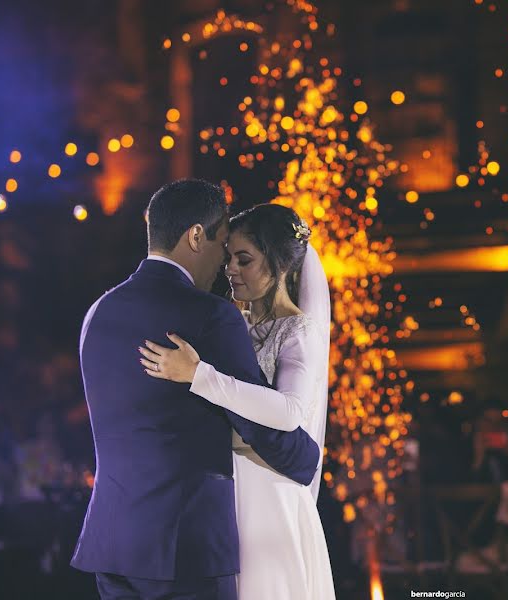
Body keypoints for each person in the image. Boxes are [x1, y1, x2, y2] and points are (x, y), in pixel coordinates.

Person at [71, 179, 321, 600]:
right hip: (183, 545)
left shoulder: (98, 312)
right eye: (224, 245)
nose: (225, 263)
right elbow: (257, 425)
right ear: (196, 236)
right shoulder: (211, 315)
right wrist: (308, 458)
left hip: (111, 542)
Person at [140, 203, 336, 599]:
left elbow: (289, 412)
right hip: (225, 489)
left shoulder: (298, 331)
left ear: (279, 264)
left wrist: (199, 375)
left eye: (244, 259)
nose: (230, 268)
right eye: (229, 257)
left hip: (270, 496)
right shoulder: (231, 323)